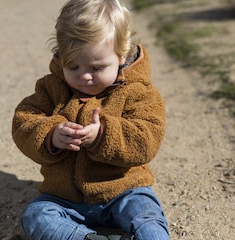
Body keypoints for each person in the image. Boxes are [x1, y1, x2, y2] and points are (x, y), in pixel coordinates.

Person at [11, 0, 169, 239]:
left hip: (125, 190)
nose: (84, 76)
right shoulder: (51, 88)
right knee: (35, 216)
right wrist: (51, 134)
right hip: (64, 198)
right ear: (60, 55)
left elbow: (147, 139)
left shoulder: (138, 92)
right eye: (72, 66)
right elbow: (24, 120)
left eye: (96, 68)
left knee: (148, 219)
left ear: (121, 54)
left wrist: (102, 136)